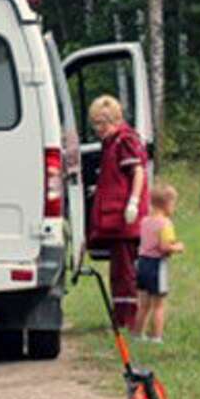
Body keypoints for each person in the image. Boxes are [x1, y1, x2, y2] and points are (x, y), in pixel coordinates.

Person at [86, 94, 149, 335]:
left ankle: (127, 320)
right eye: (96, 123)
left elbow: (138, 172)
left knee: (125, 272)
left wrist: (132, 202)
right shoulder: (110, 143)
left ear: (115, 119)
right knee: (117, 271)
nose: (99, 129)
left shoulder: (124, 141)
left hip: (124, 219)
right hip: (115, 219)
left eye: (103, 122)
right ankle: (120, 316)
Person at [134, 183, 186, 342]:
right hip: (157, 265)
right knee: (158, 304)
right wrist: (178, 247)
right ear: (167, 204)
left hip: (142, 263)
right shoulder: (166, 224)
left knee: (143, 304)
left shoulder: (145, 221)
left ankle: (138, 334)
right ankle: (156, 336)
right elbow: (164, 247)